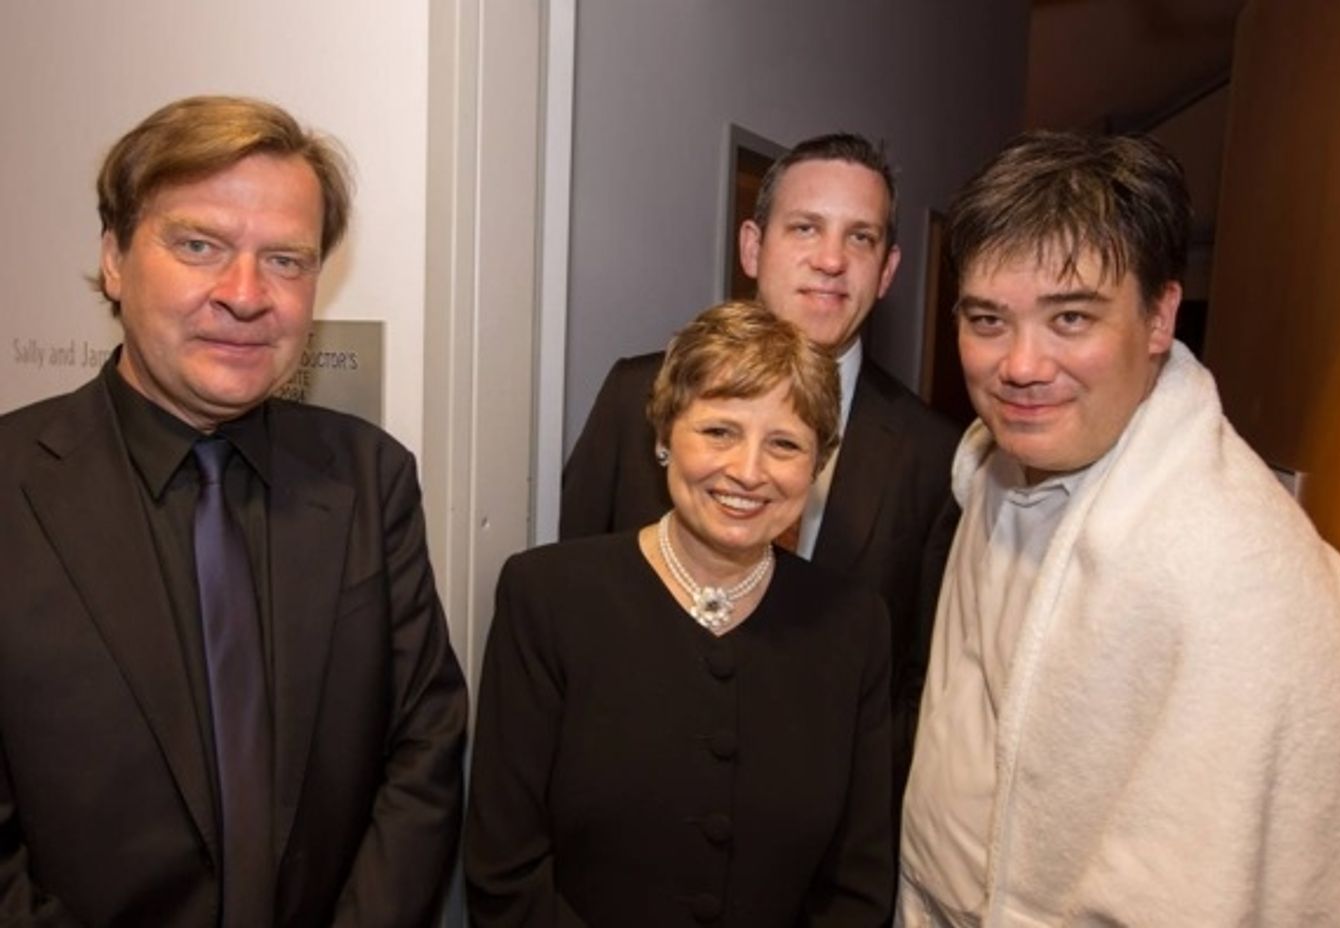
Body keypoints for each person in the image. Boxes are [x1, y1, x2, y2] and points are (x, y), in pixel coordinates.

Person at [897, 131, 1340, 926]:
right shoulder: (993, 468)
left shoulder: (1239, 575)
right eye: (988, 320)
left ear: (1160, 315)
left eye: (1070, 318)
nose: (1021, 365)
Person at [0, 96, 467, 926]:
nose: (246, 295)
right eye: (199, 245)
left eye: (286, 260)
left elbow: (424, 745)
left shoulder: (370, 477)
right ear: (113, 259)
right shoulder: (11, 488)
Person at [468, 301, 893, 925]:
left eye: (785, 444)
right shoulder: (549, 599)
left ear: (817, 466)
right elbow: (504, 870)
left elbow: (859, 887)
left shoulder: (854, 629)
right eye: (720, 431)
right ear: (665, 435)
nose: (748, 472)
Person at [561, 132, 961, 789]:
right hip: (626, 787)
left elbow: (917, 688)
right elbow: (572, 607)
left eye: (860, 238)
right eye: (805, 227)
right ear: (752, 246)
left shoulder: (932, 456)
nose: (831, 260)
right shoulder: (637, 395)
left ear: (887, 270)